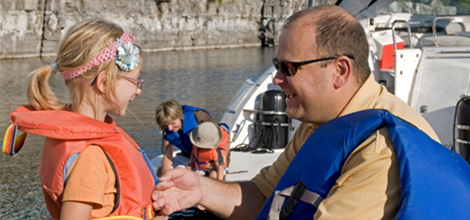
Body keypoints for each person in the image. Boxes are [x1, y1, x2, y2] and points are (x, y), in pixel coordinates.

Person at [150, 5, 461, 219]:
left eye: (289, 67)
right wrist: (201, 189)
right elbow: (263, 193)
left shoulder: (380, 149)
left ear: (339, 70)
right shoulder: (324, 121)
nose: (276, 79)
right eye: (276, 66)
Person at [5, 18, 164, 219]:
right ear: (104, 82)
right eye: (135, 80)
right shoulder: (90, 156)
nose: (139, 90)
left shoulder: (75, 137)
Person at [155, 99, 214, 175]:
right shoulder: (168, 129)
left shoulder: (198, 117)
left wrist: (215, 163)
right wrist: (165, 177)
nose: (169, 128)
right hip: (188, 156)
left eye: (173, 123)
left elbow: (222, 142)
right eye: (166, 125)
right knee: (160, 171)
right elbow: (168, 153)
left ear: (180, 116)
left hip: (206, 158)